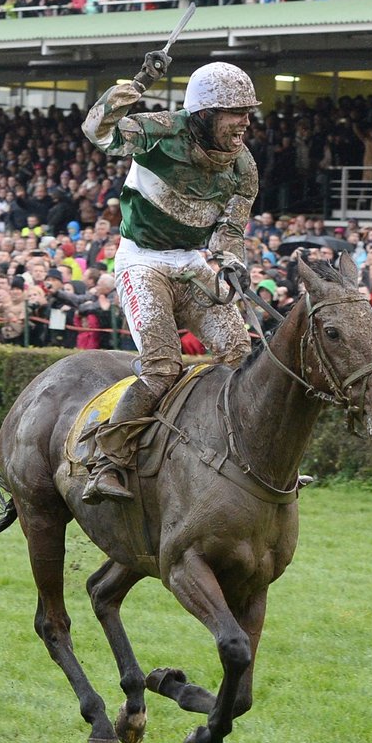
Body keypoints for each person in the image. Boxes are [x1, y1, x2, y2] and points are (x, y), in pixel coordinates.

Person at [78, 55, 259, 504]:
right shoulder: (160, 129)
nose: (244, 124)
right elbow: (98, 131)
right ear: (205, 114)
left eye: (248, 114)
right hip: (143, 262)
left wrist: (232, 263)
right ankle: (106, 458)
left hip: (195, 265)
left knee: (242, 356)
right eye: (236, 113)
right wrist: (136, 84)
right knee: (162, 368)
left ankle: (241, 459)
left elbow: (231, 229)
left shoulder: (245, 166)